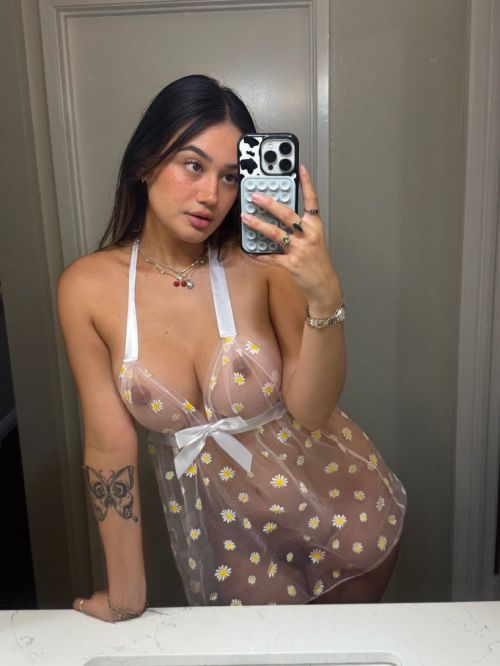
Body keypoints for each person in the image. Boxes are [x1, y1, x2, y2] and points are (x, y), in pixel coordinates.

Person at [57, 74, 406, 621]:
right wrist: (126, 593)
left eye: (230, 177)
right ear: (145, 164)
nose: (211, 196)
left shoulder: (263, 265)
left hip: (343, 511)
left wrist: (325, 295)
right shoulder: (87, 288)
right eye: (192, 165)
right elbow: (108, 445)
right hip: (230, 540)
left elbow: (312, 411)